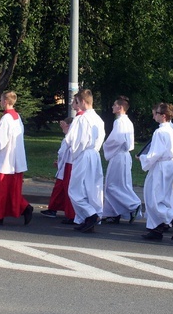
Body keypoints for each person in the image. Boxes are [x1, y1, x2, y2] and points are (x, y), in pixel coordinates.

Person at [0, 91, 34, 226]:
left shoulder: (5, 119)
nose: (0, 102)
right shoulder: (17, 117)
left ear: (5, 102)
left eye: (1, 100)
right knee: (12, 190)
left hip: (4, 159)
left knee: (0, 190)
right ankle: (24, 208)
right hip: (15, 158)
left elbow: (1, 142)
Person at [138, 102, 173, 241]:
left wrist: (142, 158)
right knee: (162, 196)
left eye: (157, 114)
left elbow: (155, 153)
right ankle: (156, 228)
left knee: (153, 198)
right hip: (169, 165)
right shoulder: (171, 130)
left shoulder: (160, 132)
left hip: (160, 167)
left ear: (163, 116)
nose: (154, 117)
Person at [65, 89, 106, 233]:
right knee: (92, 188)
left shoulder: (81, 118)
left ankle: (90, 215)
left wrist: (74, 154)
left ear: (82, 101)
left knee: (75, 189)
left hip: (83, 154)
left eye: (75, 101)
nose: (73, 105)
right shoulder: (98, 119)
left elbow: (73, 140)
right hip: (94, 154)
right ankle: (87, 219)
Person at [101, 96, 141, 224]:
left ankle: (133, 204)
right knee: (121, 184)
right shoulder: (127, 121)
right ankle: (114, 213)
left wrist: (105, 145)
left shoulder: (119, 122)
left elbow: (116, 140)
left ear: (120, 107)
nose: (112, 107)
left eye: (114, 105)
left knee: (112, 185)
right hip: (124, 156)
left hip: (118, 156)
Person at [41, 116, 76, 220]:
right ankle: (53, 208)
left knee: (63, 188)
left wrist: (60, 162)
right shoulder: (68, 138)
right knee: (59, 189)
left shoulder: (69, 139)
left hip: (67, 165)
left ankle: (62, 210)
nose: (62, 127)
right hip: (64, 165)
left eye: (64, 125)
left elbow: (63, 153)